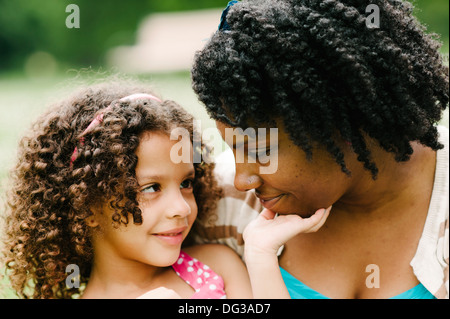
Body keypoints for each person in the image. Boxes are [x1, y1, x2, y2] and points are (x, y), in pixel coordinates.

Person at [191, 0, 449, 299]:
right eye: (233, 150)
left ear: (343, 125)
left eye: (259, 152)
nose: (242, 179)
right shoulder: (221, 202)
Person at [0, 80, 252, 299]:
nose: (181, 207)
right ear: (86, 205)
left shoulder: (218, 264)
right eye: (152, 188)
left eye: (186, 183)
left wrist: (262, 258)